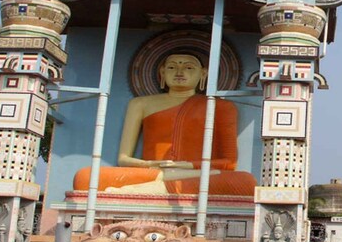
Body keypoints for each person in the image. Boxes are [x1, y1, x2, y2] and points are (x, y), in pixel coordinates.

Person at [73, 53, 256, 195]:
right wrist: (152, 165)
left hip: (197, 174)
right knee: (85, 177)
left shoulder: (222, 107)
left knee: (246, 182)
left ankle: (144, 191)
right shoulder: (140, 104)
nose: (179, 72)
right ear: (162, 72)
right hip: (154, 172)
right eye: (171, 67)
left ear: (203, 73)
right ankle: (159, 187)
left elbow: (229, 163)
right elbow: (124, 159)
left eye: (189, 68)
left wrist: (187, 166)